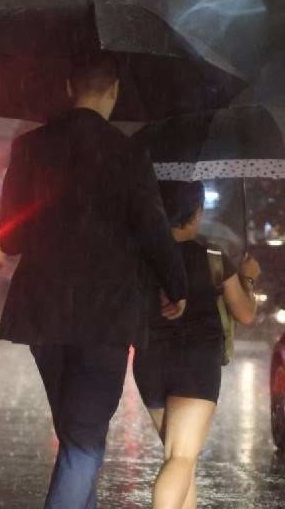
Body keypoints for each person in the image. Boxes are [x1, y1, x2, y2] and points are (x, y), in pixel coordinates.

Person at [0, 52, 189, 509]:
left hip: (43, 312)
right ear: (114, 92)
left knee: (76, 436)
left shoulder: (31, 148)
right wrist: (175, 286)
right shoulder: (128, 153)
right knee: (83, 442)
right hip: (105, 314)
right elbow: (153, 229)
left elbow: (10, 239)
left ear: (69, 88)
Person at [133, 181, 259, 509]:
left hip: (150, 362)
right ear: (196, 212)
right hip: (196, 362)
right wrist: (249, 278)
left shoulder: (141, 256)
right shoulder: (214, 258)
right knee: (181, 456)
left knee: (180, 460)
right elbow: (245, 314)